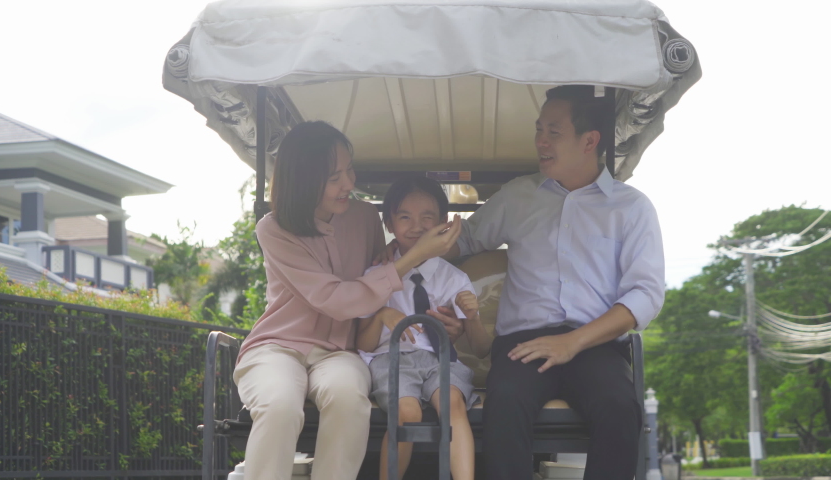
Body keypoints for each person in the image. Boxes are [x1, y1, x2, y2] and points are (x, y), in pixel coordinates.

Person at [446, 85, 665, 479]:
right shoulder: (517, 196)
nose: (540, 142)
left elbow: (646, 294)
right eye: (538, 130)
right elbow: (463, 241)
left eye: (553, 132)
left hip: (595, 344)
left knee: (620, 406)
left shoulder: (631, 208)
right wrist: (402, 252)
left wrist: (572, 342)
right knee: (506, 400)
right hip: (522, 345)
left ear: (590, 141)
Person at [233, 121, 462, 480]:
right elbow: (335, 299)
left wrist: (397, 257)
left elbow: (376, 275)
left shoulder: (365, 217)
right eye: (334, 177)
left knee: (348, 399)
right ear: (304, 180)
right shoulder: (274, 229)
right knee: (279, 405)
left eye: (349, 170)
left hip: (340, 351)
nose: (349, 184)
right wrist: (412, 257)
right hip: (277, 347)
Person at [357, 177, 492, 480]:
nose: (416, 226)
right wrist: (381, 314)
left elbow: (481, 348)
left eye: (427, 217)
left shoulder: (453, 279)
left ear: (443, 223)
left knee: (453, 404)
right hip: (391, 359)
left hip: (440, 361)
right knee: (406, 413)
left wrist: (472, 317)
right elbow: (363, 345)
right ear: (389, 223)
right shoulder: (376, 276)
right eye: (405, 217)